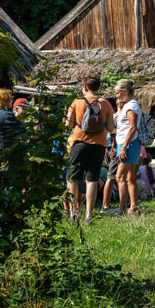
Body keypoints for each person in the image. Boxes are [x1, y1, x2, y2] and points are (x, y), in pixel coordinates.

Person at [64, 75, 116, 224]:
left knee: (72, 177)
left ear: (85, 87)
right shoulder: (105, 104)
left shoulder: (77, 102)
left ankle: (74, 211)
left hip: (79, 142)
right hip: (99, 145)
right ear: (98, 87)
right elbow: (111, 128)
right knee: (92, 179)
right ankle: (89, 215)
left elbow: (68, 124)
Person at [113, 78, 143, 216]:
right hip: (129, 142)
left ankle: (122, 208)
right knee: (130, 177)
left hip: (128, 143)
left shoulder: (131, 106)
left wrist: (124, 147)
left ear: (125, 91)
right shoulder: (129, 105)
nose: (116, 96)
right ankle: (134, 207)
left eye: (118, 93)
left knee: (120, 176)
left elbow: (132, 127)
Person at [100, 130, 119, 212]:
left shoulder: (109, 117)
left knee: (115, 176)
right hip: (114, 147)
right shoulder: (116, 117)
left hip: (108, 147)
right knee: (112, 177)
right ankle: (105, 205)